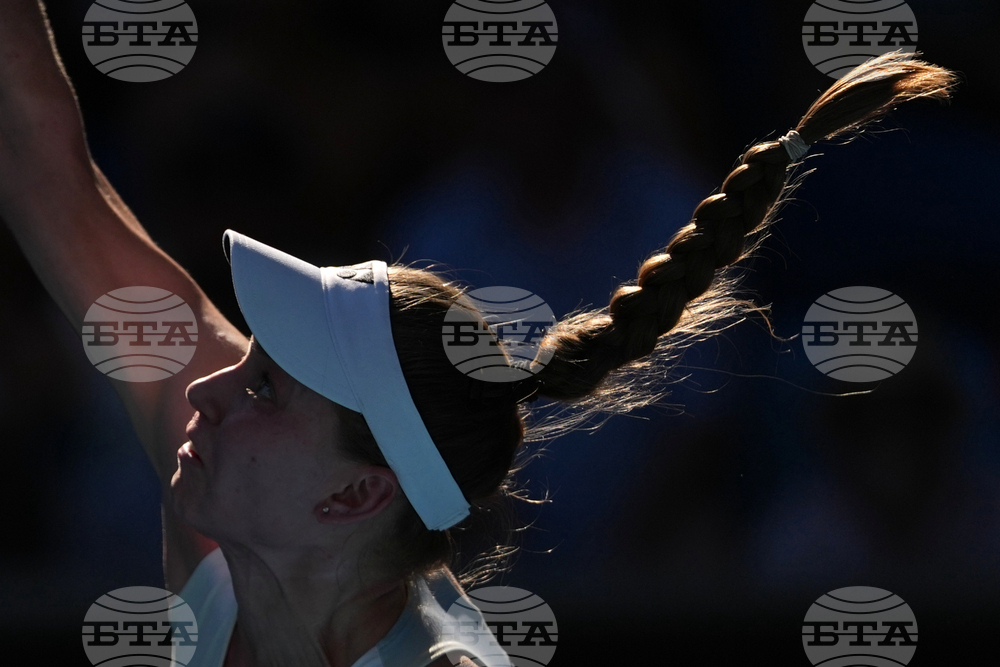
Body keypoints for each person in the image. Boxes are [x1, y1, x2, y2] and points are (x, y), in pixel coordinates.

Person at [0, 1, 956, 665]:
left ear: (356, 493)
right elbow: (41, 155)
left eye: (264, 388)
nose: (207, 388)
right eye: (252, 366)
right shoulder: (233, 519)